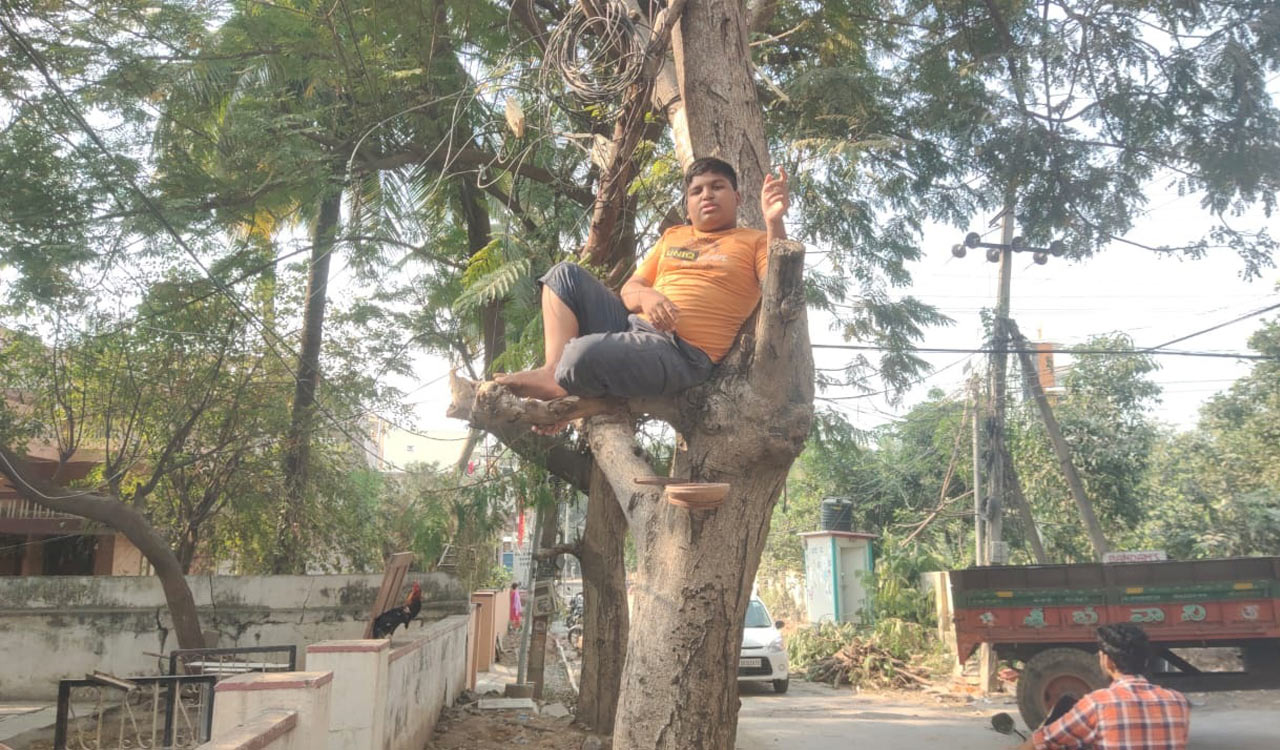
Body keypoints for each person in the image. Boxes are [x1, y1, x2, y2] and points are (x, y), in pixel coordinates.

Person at [495, 157, 789, 407]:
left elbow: (780, 284)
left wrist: (774, 222)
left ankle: (563, 380)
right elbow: (630, 290)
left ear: (737, 197)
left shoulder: (756, 241)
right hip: (631, 326)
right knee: (564, 274)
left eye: (717, 187)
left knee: (579, 355)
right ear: (688, 206)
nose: (707, 195)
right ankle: (553, 374)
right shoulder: (673, 236)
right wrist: (648, 298)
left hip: (681, 353)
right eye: (696, 191)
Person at [1016, 623, 1190, 750]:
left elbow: (1044, 739)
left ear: (1107, 660)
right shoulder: (1178, 701)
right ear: (1145, 660)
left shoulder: (1098, 703)